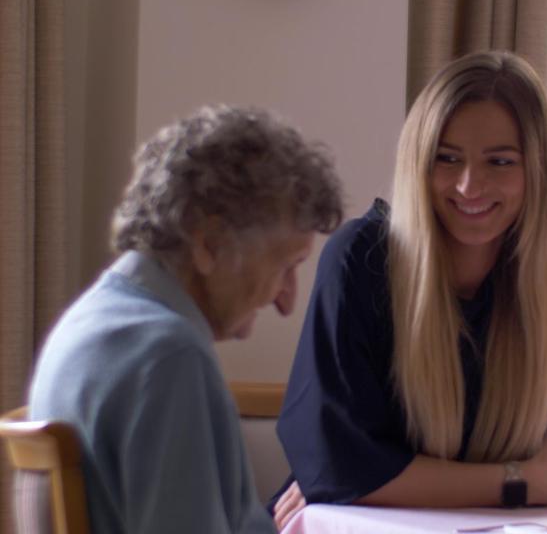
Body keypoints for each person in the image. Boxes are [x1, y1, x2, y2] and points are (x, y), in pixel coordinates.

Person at [272, 51, 547, 529]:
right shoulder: (361, 260)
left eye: (500, 161)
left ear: (537, 171)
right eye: (447, 158)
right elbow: (340, 473)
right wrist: (520, 481)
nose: (470, 185)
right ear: (417, 162)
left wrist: (385, 483)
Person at [27, 104, 343, 534]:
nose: (288, 300)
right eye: (285, 265)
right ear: (208, 242)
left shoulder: (90, 324)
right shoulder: (167, 357)